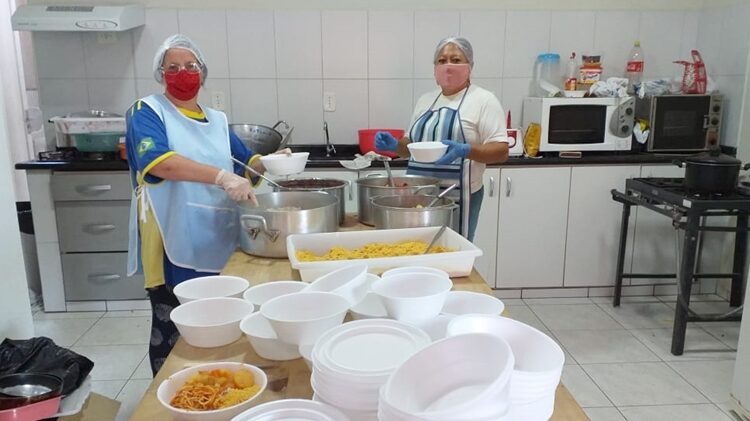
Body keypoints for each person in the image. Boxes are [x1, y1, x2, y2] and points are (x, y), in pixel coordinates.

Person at [125, 34, 283, 375]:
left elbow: (246, 164)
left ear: (203, 72)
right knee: (178, 329)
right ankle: (169, 396)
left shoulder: (217, 119)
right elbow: (158, 163)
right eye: (173, 67)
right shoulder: (147, 111)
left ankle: (219, 386)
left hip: (217, 234)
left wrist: (272, 163)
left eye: (191, 66)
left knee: (221, 322)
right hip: (173, 237)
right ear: (161, 74)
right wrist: (221, 177)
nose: (183, 72)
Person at [375, 36, 509, 242]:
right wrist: (394, 145)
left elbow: (501, 151)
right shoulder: (426, 100)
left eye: (456, 60)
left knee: (451, 250)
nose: (448, 65)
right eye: (442, 60)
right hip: (419, 195)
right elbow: (410, 146)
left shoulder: (484, 100)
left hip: (459, 196)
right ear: (434, 68)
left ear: (469, 66)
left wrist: (466, 150)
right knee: (414, 247)